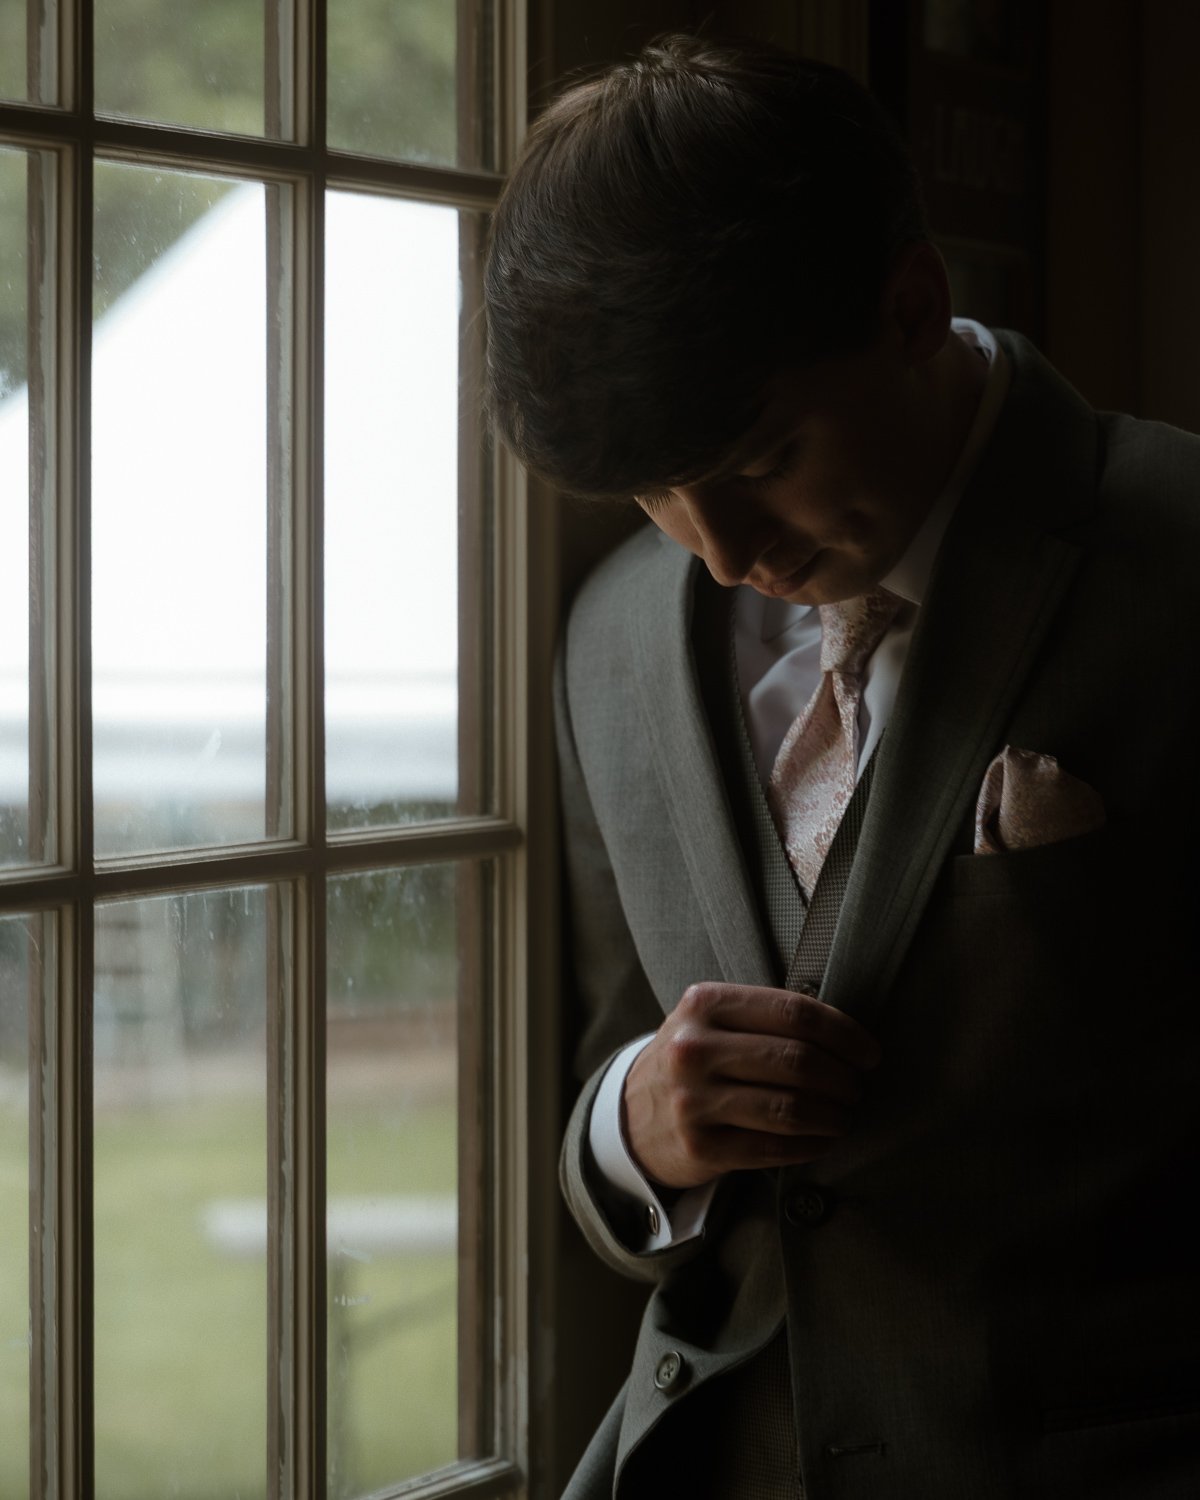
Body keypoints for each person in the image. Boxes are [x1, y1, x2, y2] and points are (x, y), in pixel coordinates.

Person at [485, 33, 1200, 1500]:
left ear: (912, 306)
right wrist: (640, 1126)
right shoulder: (615, 635)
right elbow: (610, 1071)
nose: (726, 550)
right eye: (655, 492)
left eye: (761, 453)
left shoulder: (1181, 555)